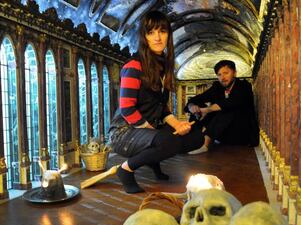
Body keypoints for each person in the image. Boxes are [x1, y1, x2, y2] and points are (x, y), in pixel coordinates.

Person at [108, 10, 203, 194]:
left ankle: (153, 160)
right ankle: (126, 170)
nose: (158, 37)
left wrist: (178, 124)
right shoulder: (134, 66)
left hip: (146, 128)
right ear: (144, 37)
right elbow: (127, 109)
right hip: (124, 132)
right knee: (169, 140)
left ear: (168, 34)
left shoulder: (163, 67)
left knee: (195, 137)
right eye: (151, 32)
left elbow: (161, 108)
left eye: (162, 31)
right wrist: (154, 131)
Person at [185, 60, 259, 154]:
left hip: (241, 133)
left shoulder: (244, 86)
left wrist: (207, 110)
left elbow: (231, 102)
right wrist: (192, 106)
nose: (222, 77)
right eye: (219, 75)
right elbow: (198, 98)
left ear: (234, 73)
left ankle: (205, 144)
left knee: (228, 110)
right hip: (223, 132)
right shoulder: (217, 87)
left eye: (226, 73)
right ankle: (192, 141)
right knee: (197, 108)